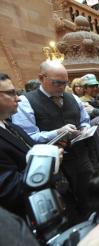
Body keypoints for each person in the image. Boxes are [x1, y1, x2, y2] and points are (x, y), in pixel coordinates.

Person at [12, 61, 94, 217]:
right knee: (64, 206)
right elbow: (27, 138)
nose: (62, 87)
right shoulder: (26, 102)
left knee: (88, 197)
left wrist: (84, 129)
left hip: (81, 159)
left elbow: (84, 120)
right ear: (41, 78)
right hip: (54, 166)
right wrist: (57, 132)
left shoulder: (73, 98)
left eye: (65, 82)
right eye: (57, 82)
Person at [0, 73, 36, 216]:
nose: (19, 98)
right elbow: (9, 189)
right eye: (10, 93)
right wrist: (47, 162)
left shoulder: (12, 126)